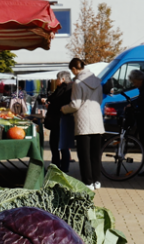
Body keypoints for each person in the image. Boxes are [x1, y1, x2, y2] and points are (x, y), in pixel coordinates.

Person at [62, 57, 104, 189]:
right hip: (97, 120)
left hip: (83, 122)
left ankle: (87, 182)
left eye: (72, 70)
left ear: (75, 69)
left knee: (84, 154)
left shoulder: (78, 83)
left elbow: (75, 105)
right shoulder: (97, 81)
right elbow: (100, 100)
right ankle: (97, 181)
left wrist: (63, 109)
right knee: (95, 154)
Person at [45, 71, 74, 173]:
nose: (56, 80)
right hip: (57, 121)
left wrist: (50, 105)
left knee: (61, 146)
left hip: (62, 121)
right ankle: (56, 166)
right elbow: (53, 98)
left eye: (57, 78)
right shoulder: (62, 88)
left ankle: (62, 168)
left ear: (62, 79)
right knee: (55, 145)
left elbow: (60, 103)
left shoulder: (68, 89)